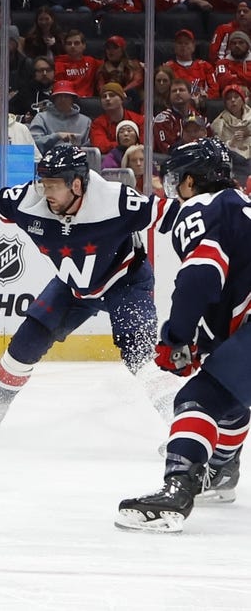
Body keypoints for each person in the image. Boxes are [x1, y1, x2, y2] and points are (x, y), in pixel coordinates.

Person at [0, 145, 183, 442]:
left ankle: (178, 427)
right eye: (44, 184)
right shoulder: (30, 201)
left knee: (141, 354)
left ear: (77, 184)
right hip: (72, 287)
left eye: (54, 185)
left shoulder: (116, 201)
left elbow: (175, 215)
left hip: (126, 282)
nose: (46, 192)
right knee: (23, 347)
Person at [115, 139, 248, 533]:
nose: (172, 188)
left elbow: (201, 277)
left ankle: (178, 488)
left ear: (191, 180)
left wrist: (176, 336)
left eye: (175, 179)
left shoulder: (201, 208)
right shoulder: (240, 203)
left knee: (195, 398)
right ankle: (222, 471)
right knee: (227, 381)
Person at [30, 80, 92, 154]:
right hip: (47, 160)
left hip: (78, 160)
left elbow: (90, 146)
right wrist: (57, 136)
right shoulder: (41, 118)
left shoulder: (86, 121)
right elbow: (33, 143)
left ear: (73, 99)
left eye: (66, 96)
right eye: (59, 96)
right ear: (53, 99)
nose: (63, 99)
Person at [90, 82, 144, 155]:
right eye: (104, 96)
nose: (107, 99)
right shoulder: (97, 123)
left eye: (112, 95)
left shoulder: (139, 120)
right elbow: (100, 146)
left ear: (122, 99)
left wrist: (116, 145)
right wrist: (128, 143)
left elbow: (146, 143)